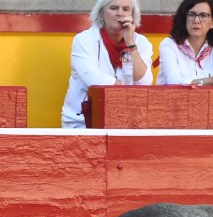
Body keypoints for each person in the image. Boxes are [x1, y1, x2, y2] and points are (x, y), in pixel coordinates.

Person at [61, 0, 153, 128]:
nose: (120, 13)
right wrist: (130, 91)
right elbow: (94, 79)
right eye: (114, 8)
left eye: (126, 9)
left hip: (125, 120)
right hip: (83, 121)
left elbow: (144, 82)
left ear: (132, 16)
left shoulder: (141, 42)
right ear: (102, 13)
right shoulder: (84, 39)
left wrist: (130, 43)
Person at [157, 0, 213, 87]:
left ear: (212, 23)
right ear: (185, 19)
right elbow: (173, 82)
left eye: (203, 15)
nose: (196, 20)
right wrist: (210, 80)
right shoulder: (169, 45)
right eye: (192, 14)